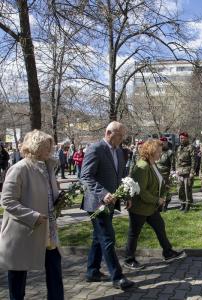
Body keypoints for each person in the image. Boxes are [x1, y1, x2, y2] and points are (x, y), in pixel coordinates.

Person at [0, 130, 64, 300]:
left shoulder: (48, 166)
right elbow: (7, 201)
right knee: (18, 275)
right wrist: (33, 216)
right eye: (47, 146)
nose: (50, 149)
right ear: (36, 147)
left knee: (55, 268)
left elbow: (48, 195)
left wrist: (59, 200)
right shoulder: (19, 169)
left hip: (47, 230)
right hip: (22, 232)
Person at [80, 121, 134, 290]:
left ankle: (92, 271)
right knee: (107, 238)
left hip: (111, 203)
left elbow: (120, 176)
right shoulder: (95, 149)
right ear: (109, 133)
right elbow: (85, 176)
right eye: (119, 136)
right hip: (96, 203)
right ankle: (117, 277)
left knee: (99, 238)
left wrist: (125, 196)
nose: (122, 139)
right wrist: (103, 194)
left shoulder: (118, 152)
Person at [125, 139, 185, 270]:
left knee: (160, 226)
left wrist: (164, 190)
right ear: (151, 151)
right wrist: (157, 200)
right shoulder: (142, 166)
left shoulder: (152, 164)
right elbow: (141, 191)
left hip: (150, 208)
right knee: (134, 233)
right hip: (140, 207)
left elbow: (158, 181)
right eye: (158, 151)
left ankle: (168, 252)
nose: (161, 153)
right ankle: (129, 259)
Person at [175, 132, 196, 212]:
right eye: (180, 138)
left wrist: (192, 172)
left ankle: (188, 204)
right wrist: (176, 170)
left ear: (187, 138)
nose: (181, 139)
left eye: (183, 138)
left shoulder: (191, 147)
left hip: (187, 171)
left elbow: (194, 161)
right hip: (180, 171)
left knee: (187, 189)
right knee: (180, 189)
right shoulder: (179, 148)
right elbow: (176, 160)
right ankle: (182, 203)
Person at [156, 137, 175, 212]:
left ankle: (166, 204)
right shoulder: (157, 151)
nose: (162, 144)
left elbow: (172, 165)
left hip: (166, 175)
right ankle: (159, 205)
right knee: (158, 191)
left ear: (166, 143)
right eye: (161, 143)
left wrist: (171, 175)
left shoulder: (170, 153)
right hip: (157, 175)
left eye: (164, 143)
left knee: (166, 191)